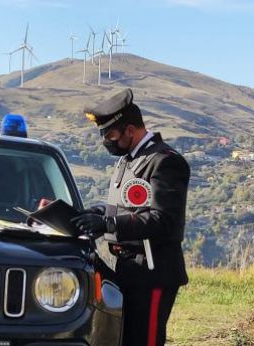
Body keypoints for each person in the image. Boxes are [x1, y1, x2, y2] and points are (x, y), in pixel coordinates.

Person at [71, 88, 190, 346]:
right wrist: (97, 212)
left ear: (131, 130)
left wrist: (108, 224)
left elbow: (162, 219)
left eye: (110, 134)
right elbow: (126, 207)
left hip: (153, 273)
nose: (106, 140)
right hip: (128, 268)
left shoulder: (164, 161)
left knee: (144, 341)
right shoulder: (129, 161)